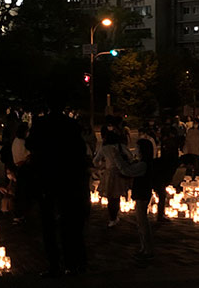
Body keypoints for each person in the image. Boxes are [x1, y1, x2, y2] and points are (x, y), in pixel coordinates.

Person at [27, 98, 91, 277]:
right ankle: (72, 263)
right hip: (68, 178)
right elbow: (79, 149)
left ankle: (54, 264)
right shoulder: (71, 124)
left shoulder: (41, 123)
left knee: (48, 224)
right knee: (69, 223)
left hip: (47, 177)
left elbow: (30, 144)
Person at [93, 127, 131, 228]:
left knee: (110, 197)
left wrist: (102, 166)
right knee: (117, 196)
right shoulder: (120, 146)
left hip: (109, 174)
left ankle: (112, 218)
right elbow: (130, 156)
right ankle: (115, 216)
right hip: (119, 173)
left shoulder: (104, 148)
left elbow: (95, 161)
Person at [131, 138, 155, 264]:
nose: (135, 149)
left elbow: (128, 171)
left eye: (137, 147)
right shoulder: (143, 162)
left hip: (142, 194)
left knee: (142, 223)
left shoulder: (143, 164)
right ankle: (143, 248)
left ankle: (148, 250)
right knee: (140, 223)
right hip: (142, 193)